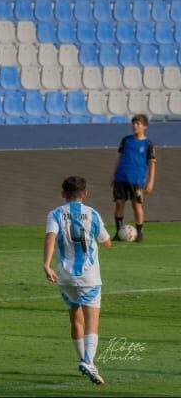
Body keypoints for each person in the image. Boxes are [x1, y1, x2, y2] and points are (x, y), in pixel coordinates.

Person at [43, 176, 112, 385]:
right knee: (92, 319)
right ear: (85, 194)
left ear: (63, 194)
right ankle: (88, 361)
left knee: (75, 318)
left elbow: (50, 238)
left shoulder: (55, 213)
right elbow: (107, 242)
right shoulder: (93, 214)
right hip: (89, 276)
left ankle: (83, 360)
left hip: (64, 276)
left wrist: (46, 264)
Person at [111, 114, 156, 243]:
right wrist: (114, 175)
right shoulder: (126, 140)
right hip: (121, 177)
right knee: (119, 204)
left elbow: (152, 164)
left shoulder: (149, 144)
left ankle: (140, 233)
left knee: (137, 205)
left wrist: (150, 181)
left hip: (136, 180)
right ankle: (119, 232)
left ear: (145, 127)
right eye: (133, 124)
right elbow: (118, 158)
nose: (134, 126)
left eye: (138, 124)